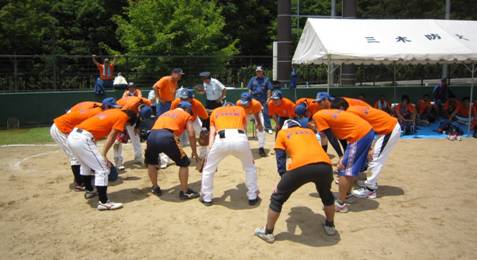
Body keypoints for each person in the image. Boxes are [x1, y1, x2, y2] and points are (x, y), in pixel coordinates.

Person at [254, 119, 336, 243]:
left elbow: (280, 158)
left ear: (285, 127)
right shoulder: (309, 131)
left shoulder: (282, 133)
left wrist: (283, 179)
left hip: (301, 166)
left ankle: (268, 232)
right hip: (325, 164)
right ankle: (330, 226)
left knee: (277, 198)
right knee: (326, 194)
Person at [67, 108, 138, 210]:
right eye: (126, 125)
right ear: (129, 118)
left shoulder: (114, 111)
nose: (124, 127)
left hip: (73, 136)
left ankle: (90, 190)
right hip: (82, 138)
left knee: (85, 165)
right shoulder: (123, 117)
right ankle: (104, 202)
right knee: (103, 169)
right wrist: (104, 155)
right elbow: (112, 135)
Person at [333, 98, 401, 199]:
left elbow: (364, 131)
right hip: (383, 130)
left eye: (336, 110)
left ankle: (370, 190)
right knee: (372, 157)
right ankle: (370, 182)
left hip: (389, 129)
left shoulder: (351, 114)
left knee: (375, 158)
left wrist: (370, 148)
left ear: (341, 108)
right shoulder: (352, 109)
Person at [313, 108, 375, 213]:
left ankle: (340, 204)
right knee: (351, 168)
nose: (317, 130)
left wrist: (341, 156)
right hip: (366, 131)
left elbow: (331, 137)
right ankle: (347, 195)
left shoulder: (317, 116)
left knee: (343, 168)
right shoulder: (327, 114)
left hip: (359, 135)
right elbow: (342, 136)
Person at [50, 98, 118, 191]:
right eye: (112, 108)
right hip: (61, 129)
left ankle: (85, 177)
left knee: (82, 155)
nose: (114, 110)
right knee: (75, 157)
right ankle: (79, 183)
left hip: (69, 129)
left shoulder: (99, 111)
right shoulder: (97, 114)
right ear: (106, 107)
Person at [200, 103, 259, 206]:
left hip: (221, 139)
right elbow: (244, 128)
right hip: (240, 137)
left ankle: (207, 197)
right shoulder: (240, 109)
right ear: (232, 106)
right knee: (250, 167)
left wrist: (209, 151)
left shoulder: (216, 111)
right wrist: (246, 148)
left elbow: (212, 132)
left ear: (224, 106)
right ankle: (252, 196)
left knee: (208, 169)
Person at [145, 102, 200, 200]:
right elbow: (191, 134)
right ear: (187, 109)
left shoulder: (165, 113)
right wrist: (194, 152)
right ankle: (184, 192)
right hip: (167, 136)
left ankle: (155, 187)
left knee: (151, 163)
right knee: (184, 163)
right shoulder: (186, 114)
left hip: (151, 136)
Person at [113, 95, 153, 169]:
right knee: (118, 140)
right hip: (119, 112)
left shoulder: (147, 102)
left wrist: (137, 126)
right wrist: (122, 133)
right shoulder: (129, 106)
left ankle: (138, 157)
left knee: (135, 136)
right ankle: (118, 161)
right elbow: (121, 118)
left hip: (131, 113)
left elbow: (139, 117)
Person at [170, 88, 209, 159]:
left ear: (192, 98)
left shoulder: (197, 104)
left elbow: (205, 117)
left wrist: (203, 130)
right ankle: (166, 159)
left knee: (204, 135)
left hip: (193, 120)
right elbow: (171, 115)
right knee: (169, 136)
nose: (183, 100)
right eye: (182, 98)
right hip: (179, 121)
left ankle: (203, 154)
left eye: (186, 99)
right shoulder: (176, 102)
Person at [236, 92, 266, 156]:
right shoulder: (238, 103)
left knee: (261, 128)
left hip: (256, 113)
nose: (244, 104)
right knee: (241, 129)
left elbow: (257, 115)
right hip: (245, 114)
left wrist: (259, 124)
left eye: (245, 103)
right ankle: (244, 146)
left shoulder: (256, 104)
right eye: (243, 102)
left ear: (250, 101)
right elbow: (240, 114)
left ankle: (261, 147)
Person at [247, 66, 273, 133]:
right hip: (254, 99)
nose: (258, 73)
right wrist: (250, 98)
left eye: (260, 71)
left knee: (265, 113)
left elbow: (269, 90)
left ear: (262, 72)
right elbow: (249, 89)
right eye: (257, 71)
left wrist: (268, 98)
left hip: (263, 99)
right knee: (253, 114)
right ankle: (257, 127)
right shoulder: (252, 79)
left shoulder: (266, 79)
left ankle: (268, 128)